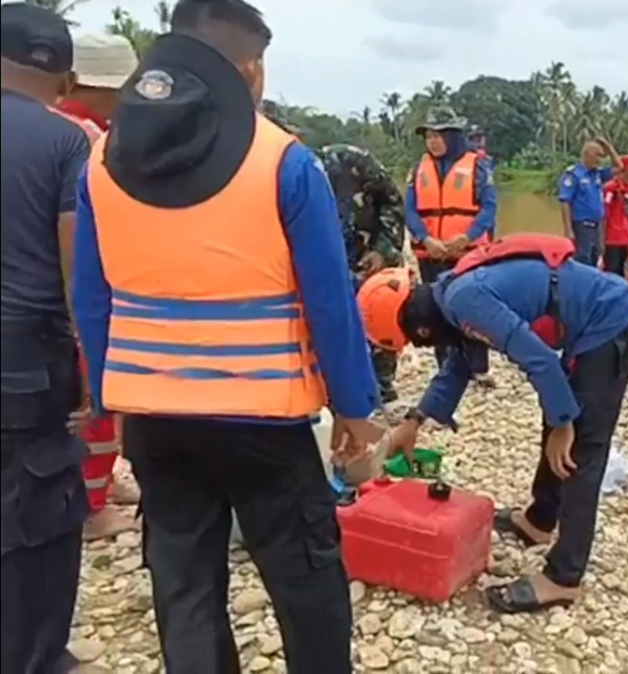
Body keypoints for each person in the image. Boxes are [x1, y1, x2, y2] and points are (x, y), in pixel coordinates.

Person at [72, 1, 380, 671]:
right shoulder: (283, 161)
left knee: (183, 588)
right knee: (305, 584)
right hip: (262, 419)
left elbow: (92, 299)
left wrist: (108, 398)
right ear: (252, 71)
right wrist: (354, 407)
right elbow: (330, 301)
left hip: (154, 418)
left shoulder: (103, 160)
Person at [357, 234, 628, 614]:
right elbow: (460, 364)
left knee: (580, 448)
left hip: (610, 321)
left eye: (416, 342)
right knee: (559, 420)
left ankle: (564, 577)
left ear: (420, 329)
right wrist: (415, 420)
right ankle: (540, 519)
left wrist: (564, 423)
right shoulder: (450, 294)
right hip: (591, 321)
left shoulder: (465, 301)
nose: (423, 347)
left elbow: (540, 360)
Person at [1, 5, 91, 672]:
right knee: (40, 522)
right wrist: (89, 361)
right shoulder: (65, 143)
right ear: (64, 79)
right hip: (24, 365)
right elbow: (75, 266)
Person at [57, 32, 144, 542]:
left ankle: (100, 485)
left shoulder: (61, 126)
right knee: (97, 400)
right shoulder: (87, 140)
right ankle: (90, 507)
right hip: (86, 291)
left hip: (55, 291)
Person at [403, 107, 498, 386]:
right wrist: (426, 238)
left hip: (466, 252)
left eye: (438, 135)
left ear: (453, 136)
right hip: (430, 251)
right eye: (429, 136)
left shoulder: (478, 166)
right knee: (434, 308)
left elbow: (489, 209)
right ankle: (445, 367)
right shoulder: (417, 169)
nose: (432, 141)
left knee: (473, 306)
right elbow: (410, 210)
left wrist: (466, 237)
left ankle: (478, 367)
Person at [319, 143, 407, 405]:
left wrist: (383, 248)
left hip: (370, 257)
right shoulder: (279, 177)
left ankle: (381, 386)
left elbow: (393, 201)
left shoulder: (351, 160)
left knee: (381, 315)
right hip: (327, 263)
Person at [558, 138, 623, 266]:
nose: (600, 159)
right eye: (598, 155)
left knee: (594, 258)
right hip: (581, 225)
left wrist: (609, 148)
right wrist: (568, 230)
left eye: (601, 156)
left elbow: (619, 167)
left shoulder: (597, 174)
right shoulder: (574, 175)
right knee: (582, 259)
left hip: (596, 226)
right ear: (588, 154)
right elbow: (565, 202)